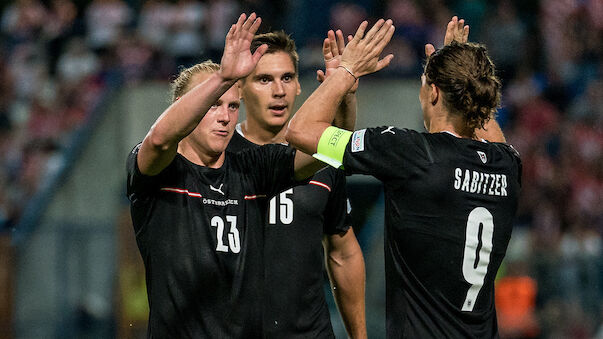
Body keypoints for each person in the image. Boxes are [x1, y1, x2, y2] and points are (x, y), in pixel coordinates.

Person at [286, 17, 522, 338]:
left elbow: (301, 132)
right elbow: (481, 119)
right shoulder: (507, 164)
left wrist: (345, 72)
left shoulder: (409, 152)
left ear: (434, 93)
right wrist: (462, 68)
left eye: (423, 84)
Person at [126, 13, 325, 337]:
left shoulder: (251, 168)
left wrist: (342, 78)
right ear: (183, 106)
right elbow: (161, 138)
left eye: (232, 107)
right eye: (213, 104)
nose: (224, 117)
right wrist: (223, 77)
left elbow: (324, 151)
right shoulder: (159, 173)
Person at [227, 30, 366, 338]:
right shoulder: (219, 157)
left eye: (287, 78)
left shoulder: (321, 160)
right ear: (239, 88)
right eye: (264, 79)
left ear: (300, 85)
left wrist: (360, 336)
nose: (279, 90)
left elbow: (342, 251)